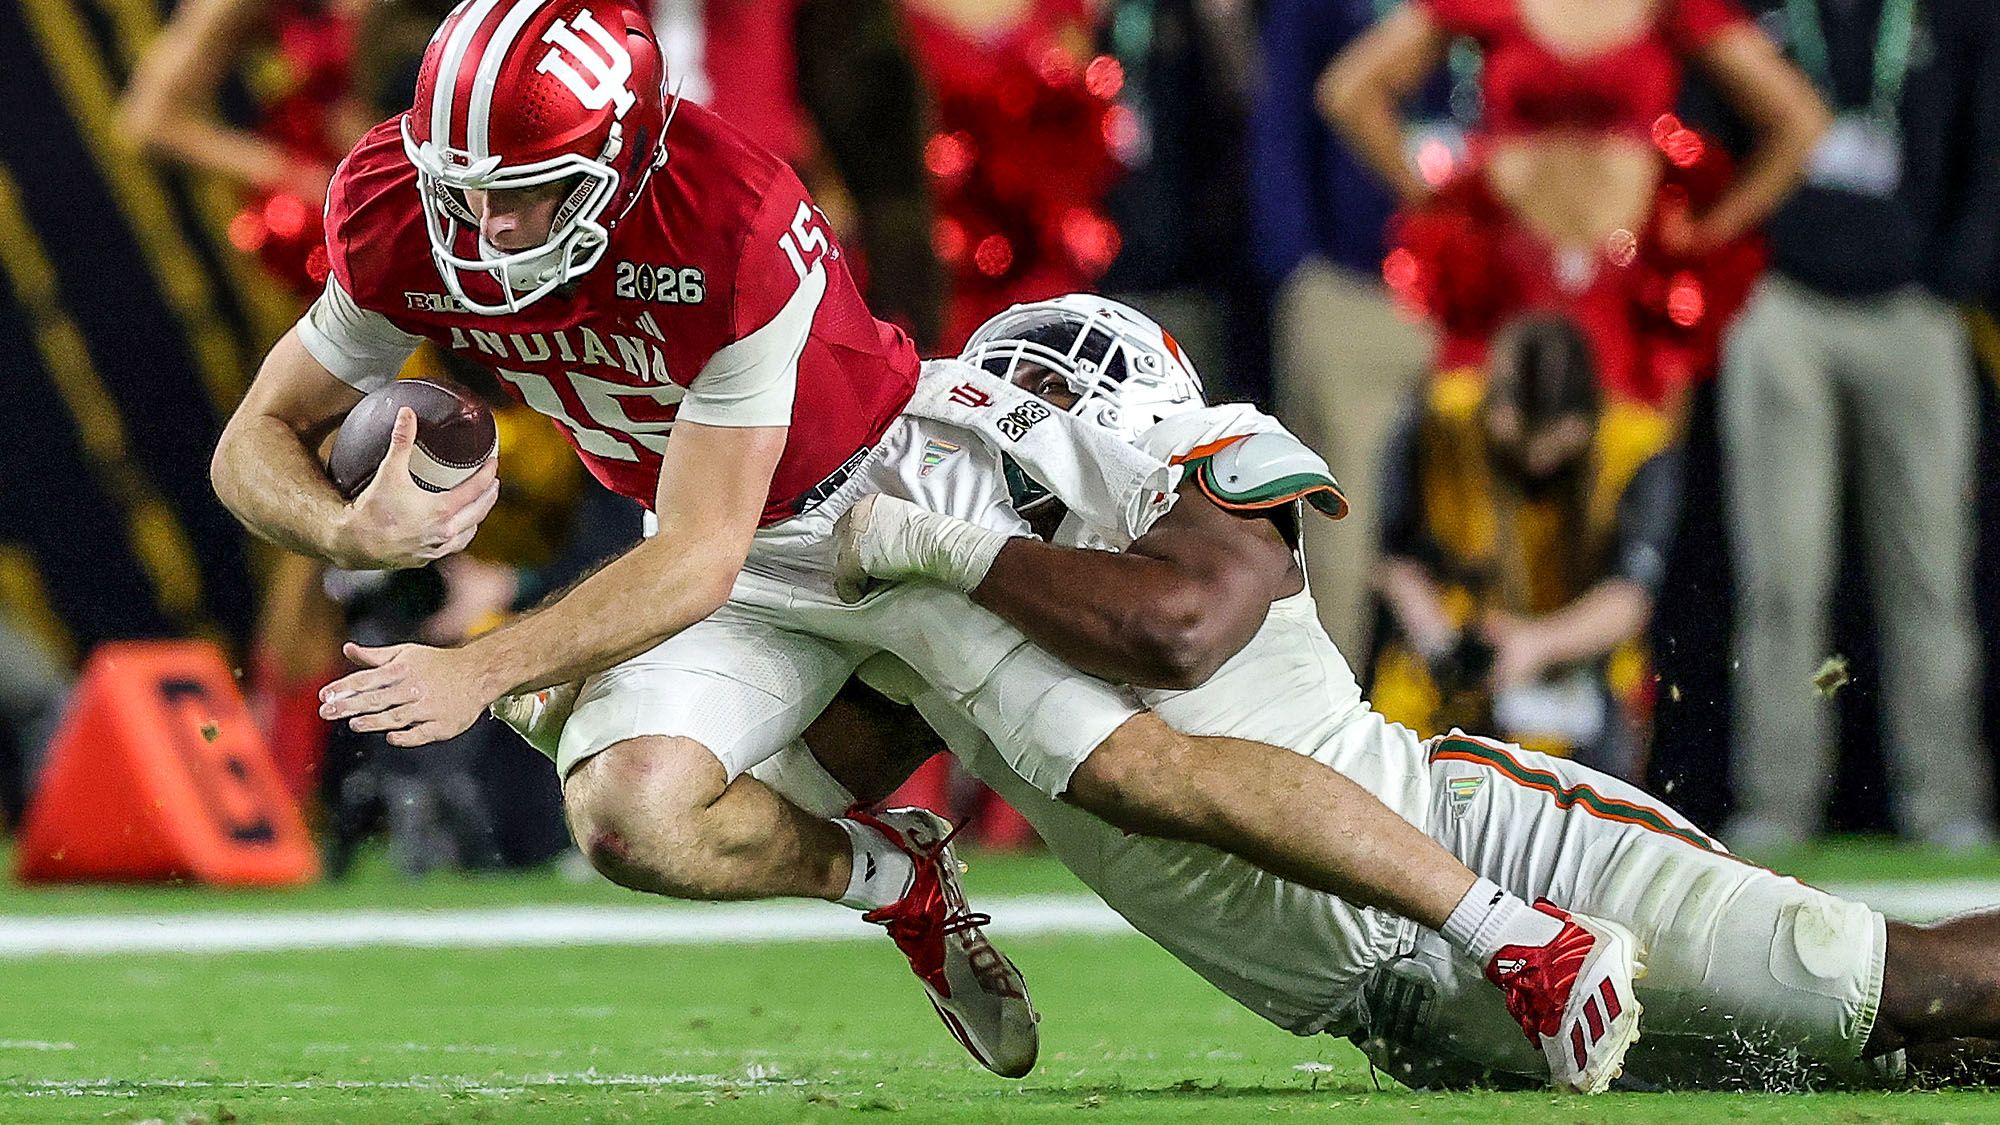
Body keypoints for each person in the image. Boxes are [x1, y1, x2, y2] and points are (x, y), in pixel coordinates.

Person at [212, 0, 1636, 1088]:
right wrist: (344, 518)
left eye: (525, 191)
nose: (486, 225)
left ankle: (1520, 934)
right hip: (714, 527)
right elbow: (251, 441)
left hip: (890, 500)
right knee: (629, 816)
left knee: (1138, 773)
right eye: (465, 186)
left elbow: (707, 555)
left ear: (627, 158)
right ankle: (893, 876)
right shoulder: (406, 204)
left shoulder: (730, 218)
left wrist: (485, 663)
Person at [791, 293, 2000, 1091]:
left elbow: (1176, 632)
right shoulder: (952, 592)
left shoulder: (1217, 469)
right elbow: (819, 772)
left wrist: (937, 552)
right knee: (1889, 1058)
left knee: (1868, 976)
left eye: (1060, 404)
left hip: (1496, 849)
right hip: (1393, 1007)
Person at [1713, 0, 1993, 852]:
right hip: (1782, 305)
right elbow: (1703, 137)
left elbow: (1989, 145)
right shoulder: (1757, 12)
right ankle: (1776, 802)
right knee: (1782, 571)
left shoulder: (1957, 13)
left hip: (1914, 309)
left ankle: (1944, 798)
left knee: (1931, 571)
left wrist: (1953, 275)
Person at [1323, 0, 1829, 409]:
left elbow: (1801, 122)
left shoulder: (1673, 8)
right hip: (1506, 295)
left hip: (1627, 302)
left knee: (1622, 494)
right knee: (1489, 495)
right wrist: (1431, 204)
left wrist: (1712, 231)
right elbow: (1349, 91)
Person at [1373, 314, 1680, 777]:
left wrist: (1537, 645)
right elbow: (1394, 557)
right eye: (1520, 440)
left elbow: (1630, 596)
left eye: (1553, 441)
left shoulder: (1637, 445)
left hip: (1576, 661)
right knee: (1385, 768)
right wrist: (1441, 644)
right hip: (1454, 645)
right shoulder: (1441, 418)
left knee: (1581, 810)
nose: (1535, 460)